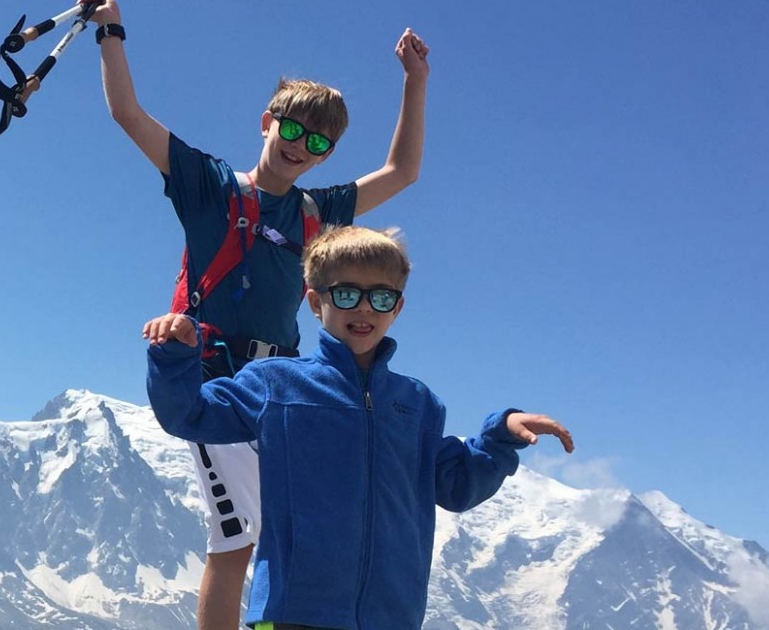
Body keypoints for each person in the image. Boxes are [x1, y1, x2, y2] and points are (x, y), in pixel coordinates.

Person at [82, 0, 433, 628]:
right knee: (236, 538)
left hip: (284, 385)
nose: (302, 146)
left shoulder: (318, 212)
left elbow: (402, 171)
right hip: (216, 379)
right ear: (268, 121)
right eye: (294, 129)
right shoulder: (209, 185)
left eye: (320, 143)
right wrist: (112, 31)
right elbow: (128, 114)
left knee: (279, 531)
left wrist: (415, 80)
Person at [143, 226, 575, 630]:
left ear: (398, 307)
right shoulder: (275, 383)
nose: (365, 307)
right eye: (347, 294)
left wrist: (499, 438)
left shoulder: (417, 404)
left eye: (381, 297)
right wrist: (174, 357)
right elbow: (189, 415)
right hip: (293, 611)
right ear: (315, 302)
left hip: (392, 617)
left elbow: (456, 487)